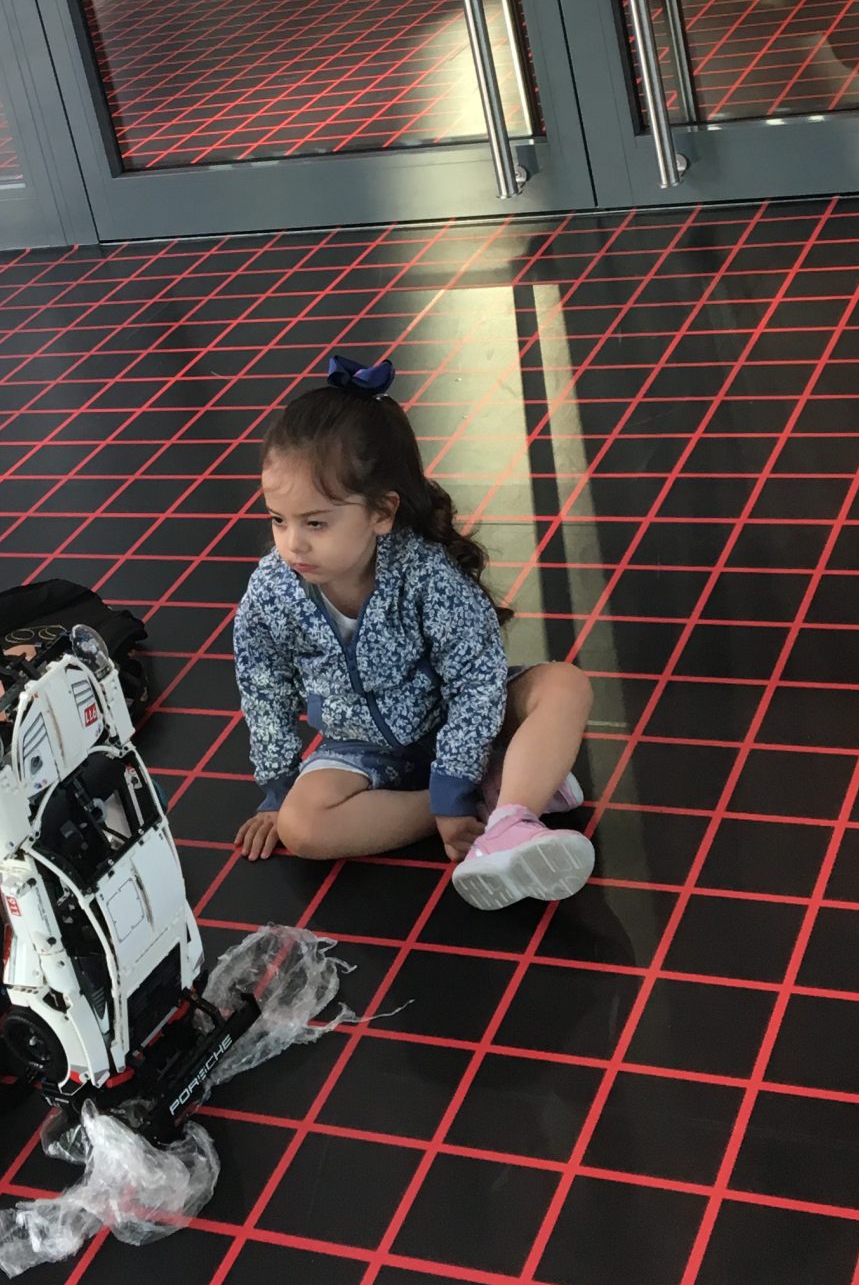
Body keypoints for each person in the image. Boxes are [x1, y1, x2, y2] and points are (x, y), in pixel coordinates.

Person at [231, 357, 597, 908]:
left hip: (458, 722)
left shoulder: (425, 574)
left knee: (565, 685)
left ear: (381, 512)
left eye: (316, 522)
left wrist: (455, 775)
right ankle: (493, 797)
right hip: (361, 750)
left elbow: (475, 682)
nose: (293, 544)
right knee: (301, 827)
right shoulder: (271, 590)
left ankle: (510, 820)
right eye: (278, 519)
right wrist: (279, 789)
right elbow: (263, 688)